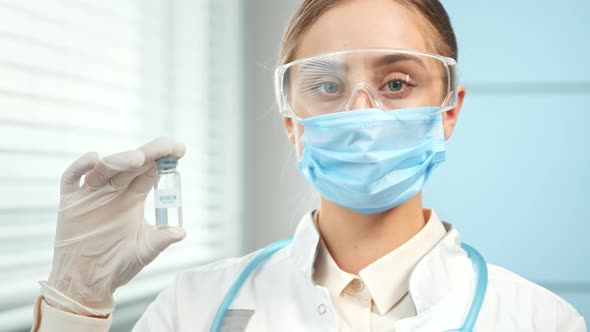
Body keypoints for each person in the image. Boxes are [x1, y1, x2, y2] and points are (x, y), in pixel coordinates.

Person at [31, 0, 587, 331]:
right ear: (291, 121)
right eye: (326, 85)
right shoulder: (196, 308)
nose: (362, 112)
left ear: (448, 111)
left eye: (397, 83)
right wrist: (75, 298)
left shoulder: (539, 320)